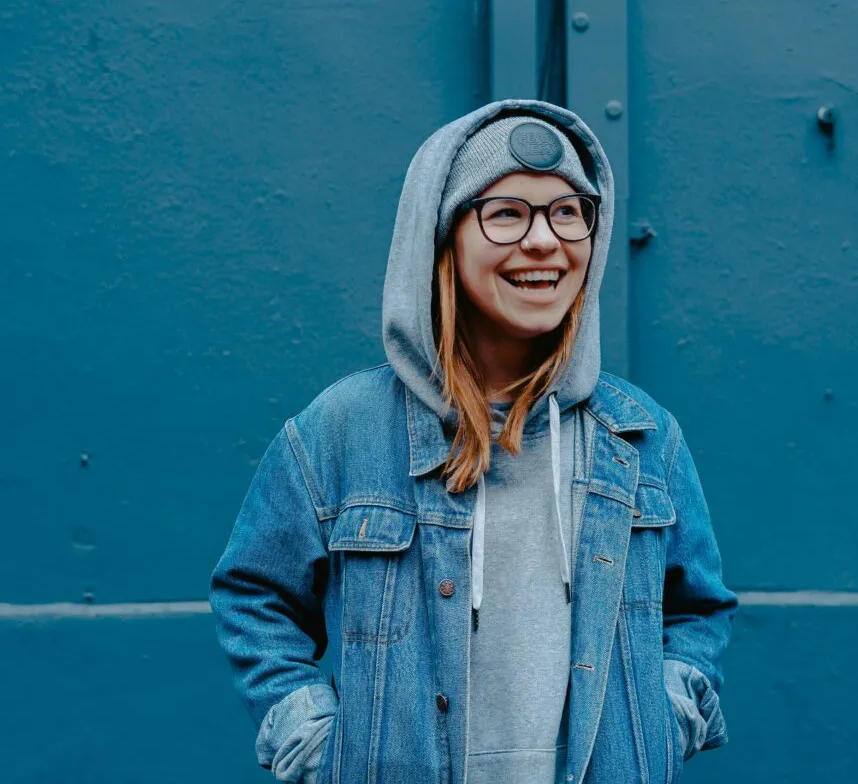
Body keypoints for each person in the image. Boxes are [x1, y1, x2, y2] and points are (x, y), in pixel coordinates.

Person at [209, 99, 739, 784]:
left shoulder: (641, 437)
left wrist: (659, 723)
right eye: (507, 213)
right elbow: (256, 597)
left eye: (568, 212)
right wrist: (318, 745)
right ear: (442, 238)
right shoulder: (343, 431)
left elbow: (699, 610)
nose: (546, 241)